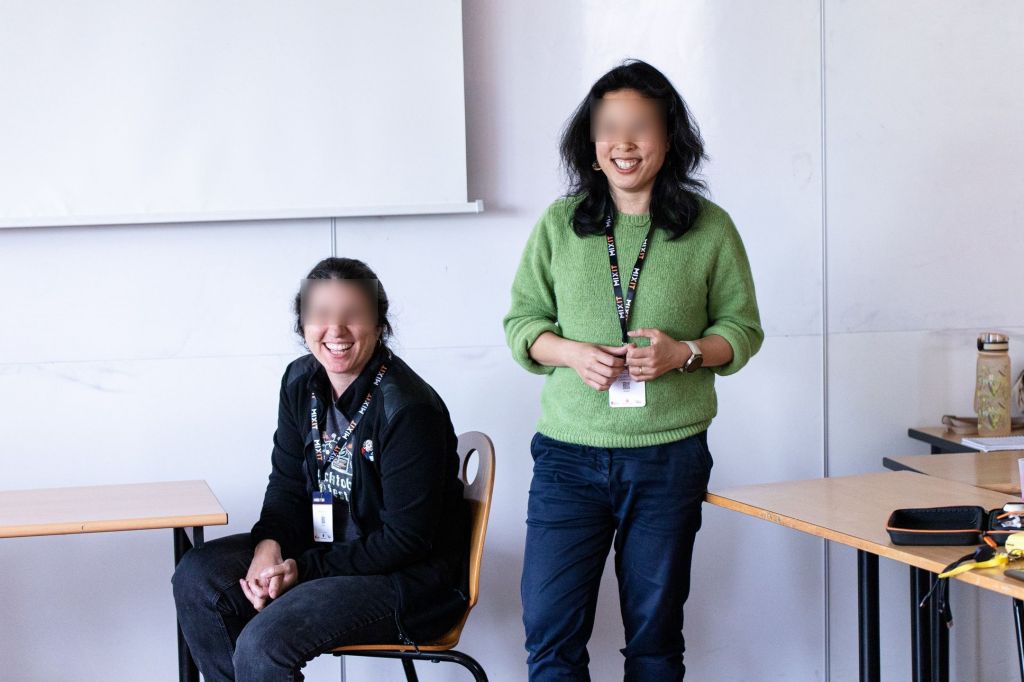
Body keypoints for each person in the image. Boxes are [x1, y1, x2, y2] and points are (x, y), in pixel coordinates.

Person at [503, 59, 763, 681]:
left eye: (641, 126)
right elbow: (522, 325)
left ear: (669, 139)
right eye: (609, 127)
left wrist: (685, 354)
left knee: (653, 640)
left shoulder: (709, 228)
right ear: (591, 146)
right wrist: (570, 353)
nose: (624, 142)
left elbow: (742, 330)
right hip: (568, 457)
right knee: (550, 635)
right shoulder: (560, 225)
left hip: (668, 456)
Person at [172, 257, 470, 681]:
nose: (336, 330)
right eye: (321, 316)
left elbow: (407, 540)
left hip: (407, 580)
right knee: (199, 576)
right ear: (303, 325)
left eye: (354, 315)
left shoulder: (408, 408)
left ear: (380, 324)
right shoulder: (299, 382)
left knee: (264, 642)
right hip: (324, 553)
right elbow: (287, 484)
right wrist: (269, 547)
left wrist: (303, 570)